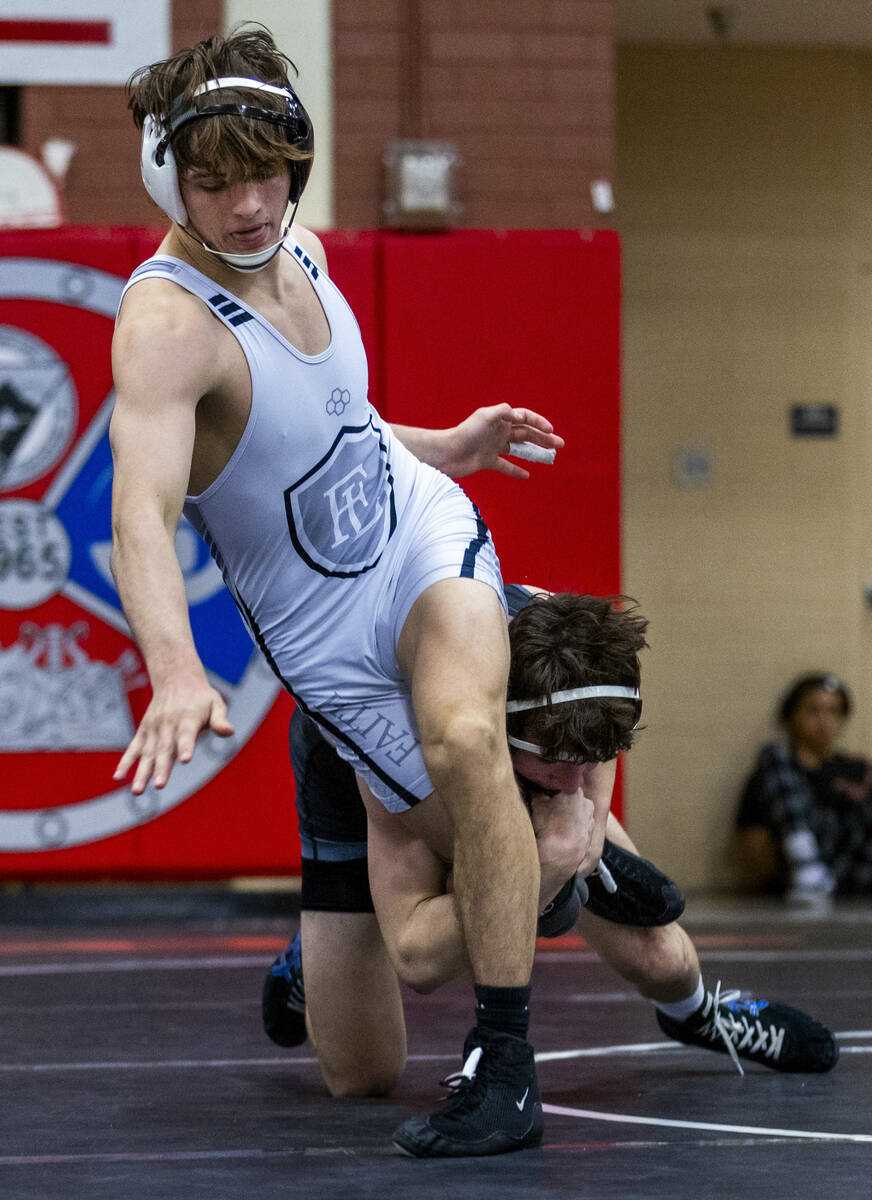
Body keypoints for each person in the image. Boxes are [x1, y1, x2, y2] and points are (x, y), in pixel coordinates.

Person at [109, 25, 568, 1159]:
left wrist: (445, 449)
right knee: (361, 1075)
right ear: (170, 179)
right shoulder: (167, 327)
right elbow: (137, 516)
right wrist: (174, 669)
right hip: (331, 644)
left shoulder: (295, 245)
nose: (249, 206)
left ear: (296, 160)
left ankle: (502, 1067)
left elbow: (332, 428)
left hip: (421, 538)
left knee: (469, 748)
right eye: (213, 185)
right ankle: (324, 952)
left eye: (266, 175)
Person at [263, 587, 838, 1147]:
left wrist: (585, 828)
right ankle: (319, 953)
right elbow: (419, 958)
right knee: (365, 1078)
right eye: (563, 765)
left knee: (658, 954)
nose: (576, 785)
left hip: (509, 736)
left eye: (586, 763)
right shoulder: (387, 722)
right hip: (367, 762)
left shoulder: (569, 647)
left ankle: (698, 1015)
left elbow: (598, 729)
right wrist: (546, 869)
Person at [737, 672, 872, 904]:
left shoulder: (855, 770)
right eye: (814, 710)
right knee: (774, 756)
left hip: (853, 875)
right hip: (798, 883)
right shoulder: (775, 771)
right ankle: (806, 862)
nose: (824, 721)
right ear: (794, 715)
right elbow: (753, 846)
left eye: (833, 711)